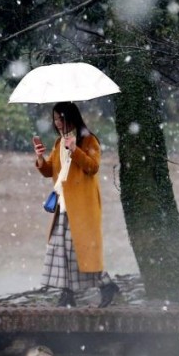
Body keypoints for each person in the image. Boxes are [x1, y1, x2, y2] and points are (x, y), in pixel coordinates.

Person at [33, 101, 119, 308]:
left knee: (80, 249)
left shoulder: (88, 140)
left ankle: (105, 285)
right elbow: (48, 171)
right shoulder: (57, 143)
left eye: (61, 118)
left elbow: (93, 167)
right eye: (54, 119)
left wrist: (74, 149)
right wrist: (39, 157)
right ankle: (68, 293)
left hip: (82, 206)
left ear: (71, 117)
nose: (57, 122)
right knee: (60, 248)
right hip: (63, 204)